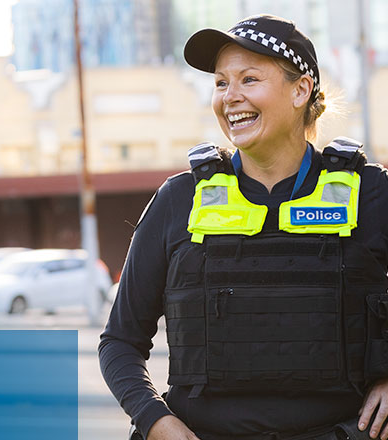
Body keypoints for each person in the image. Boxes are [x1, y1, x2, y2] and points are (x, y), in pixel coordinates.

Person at [99, 14, 388, 440]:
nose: (229, 97)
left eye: (248, 79)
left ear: (301, 89)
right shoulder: (179, 198)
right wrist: (156, 420)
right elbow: (120, 342)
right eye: (220, 83)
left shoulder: (371, 192)